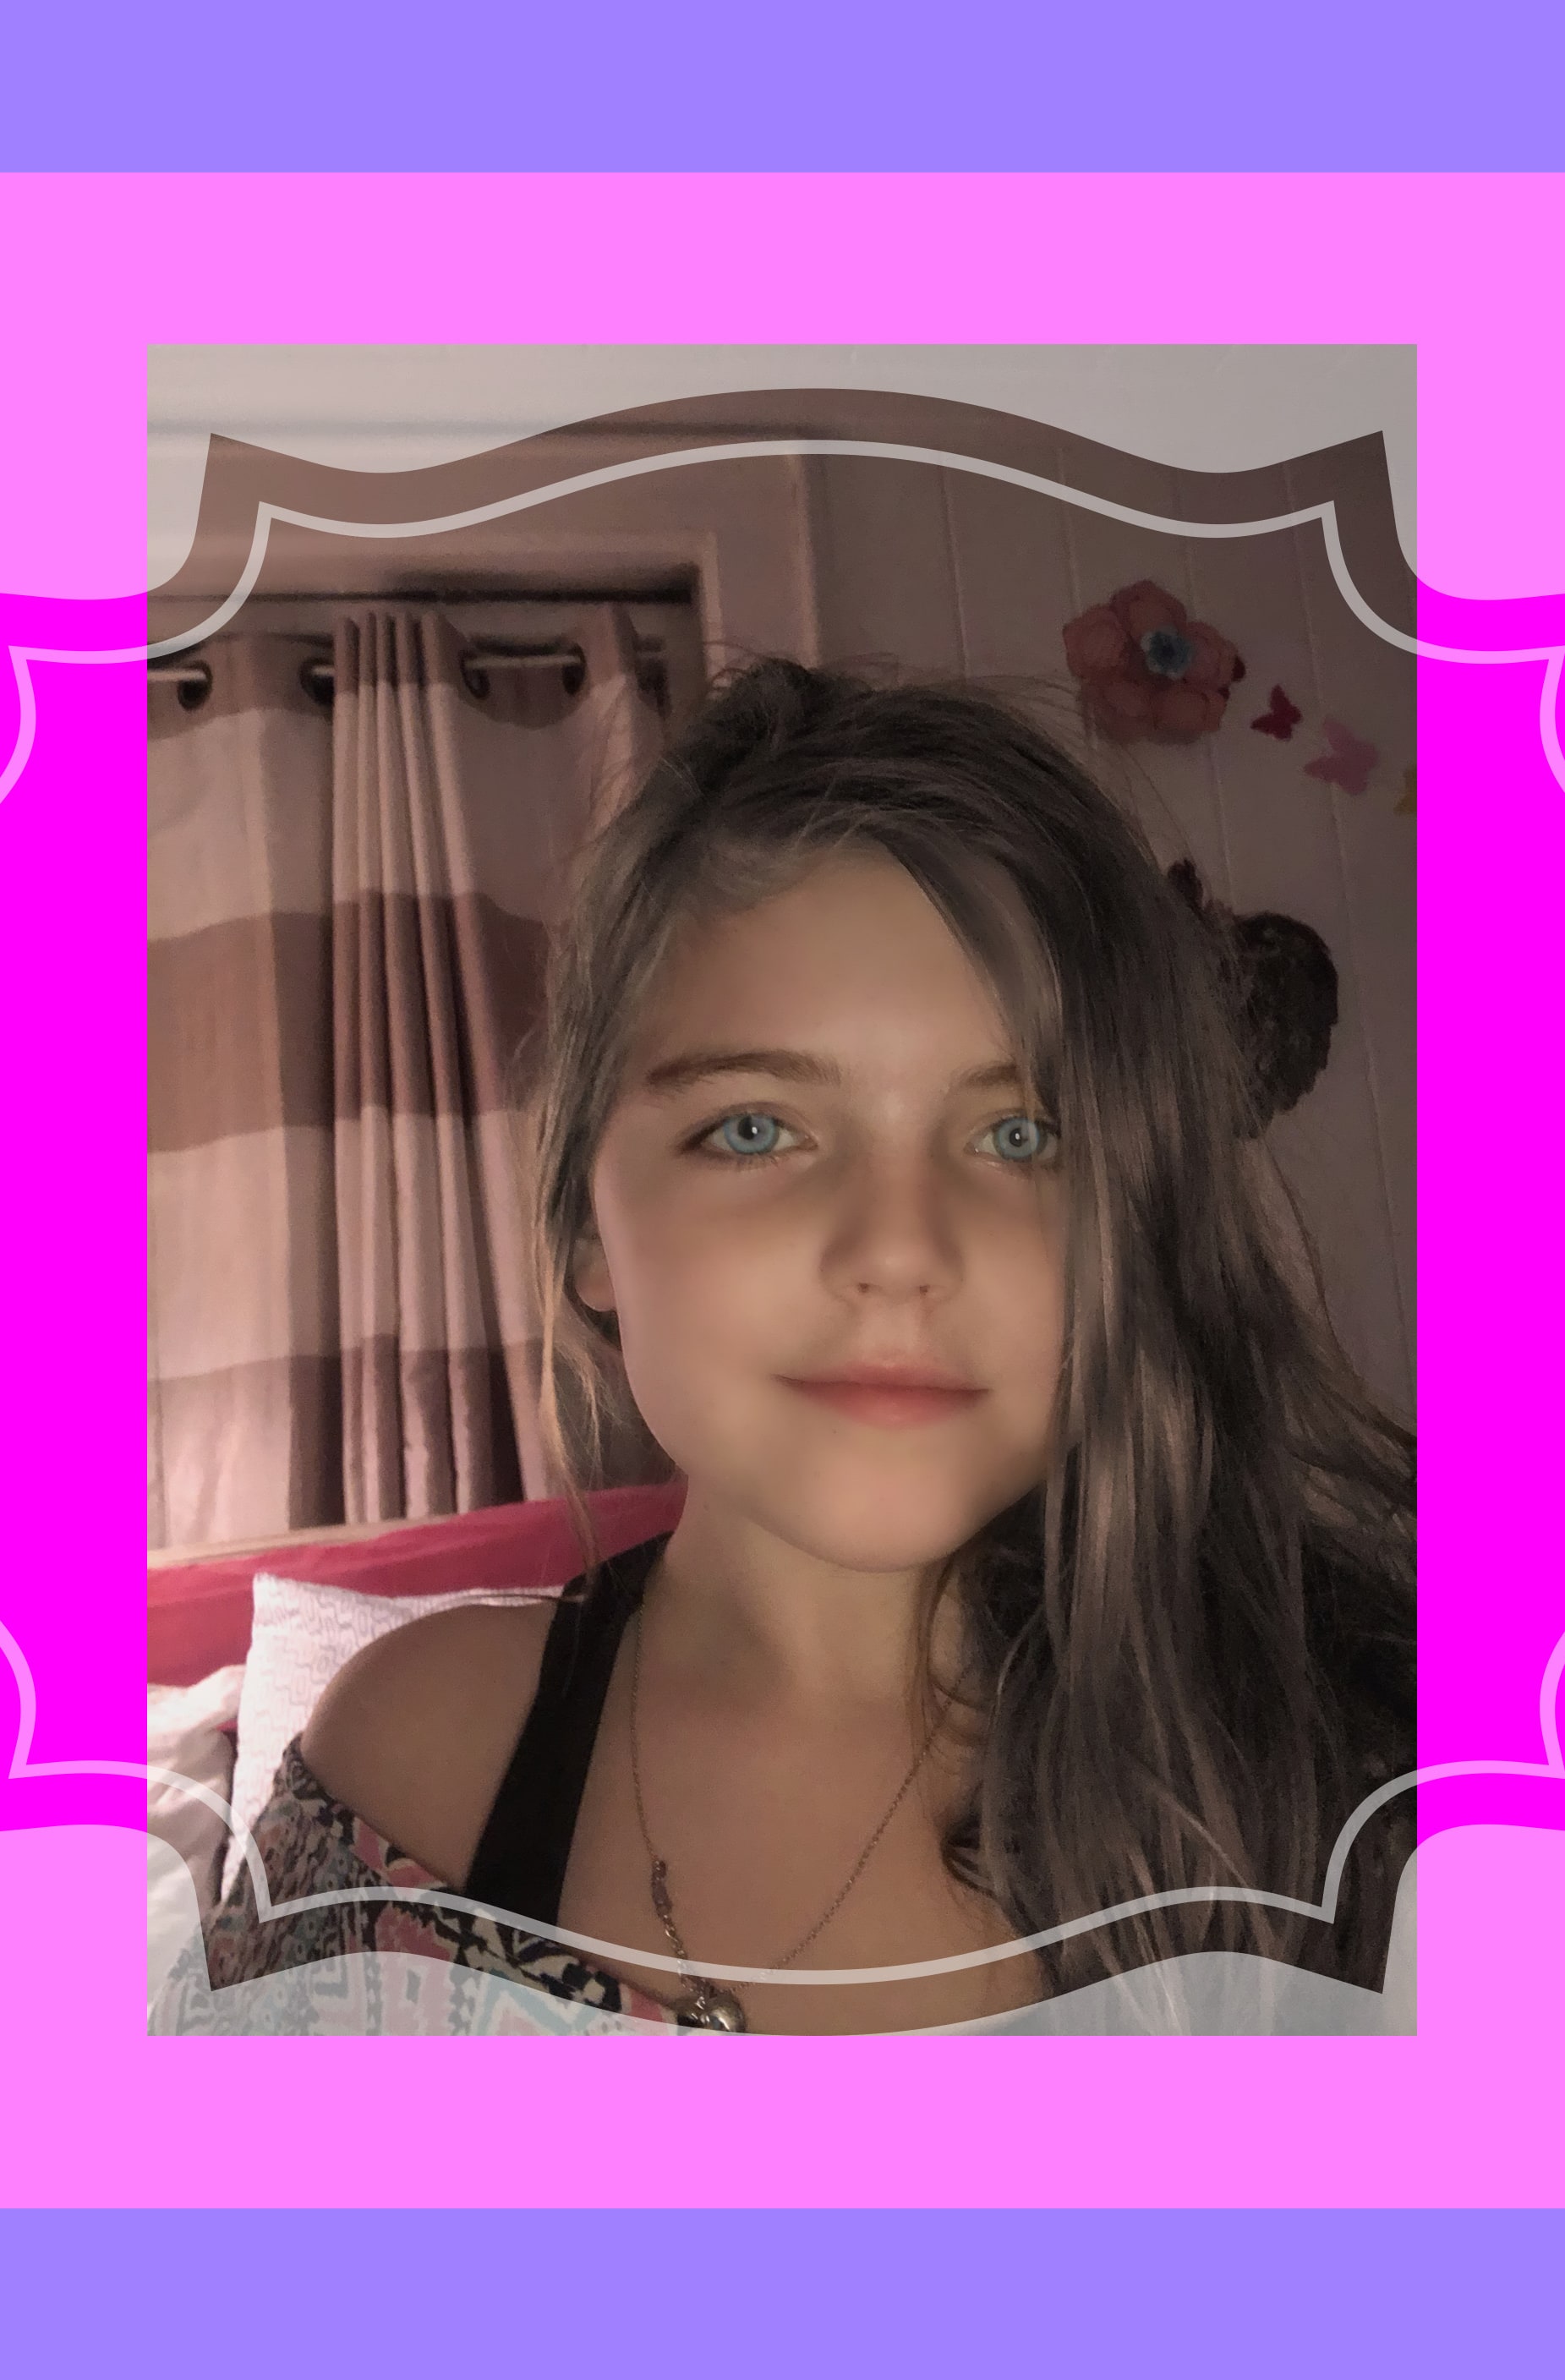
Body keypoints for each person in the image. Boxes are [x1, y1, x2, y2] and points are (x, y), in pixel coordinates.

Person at [161, 659, 1416, 2037]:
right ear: (585, 1223)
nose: (899, 1247)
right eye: (755, 1129)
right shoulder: (411, 1763)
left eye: (1021, 1135)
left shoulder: (1372, 1792)